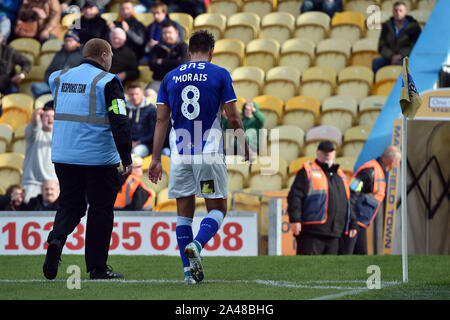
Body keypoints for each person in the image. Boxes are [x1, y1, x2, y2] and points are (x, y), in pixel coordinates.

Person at [147, 30, 249, 285]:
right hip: (208, 152)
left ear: (189, 51)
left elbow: (161, 120)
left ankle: (188, 274)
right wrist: (243, 143)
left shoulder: (170, 77)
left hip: (180, 155)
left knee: (184, 213)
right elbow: (233, 117)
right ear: (211, 52)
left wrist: (156, 158)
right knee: (217, 208)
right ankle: (197, 243)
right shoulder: (220, 74)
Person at [43, 38, 132, 280]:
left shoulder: (58, 78)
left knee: (70, 206)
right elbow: (119, 121)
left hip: (63, 155)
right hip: (98, 158)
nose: (111, 59)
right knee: (100, 210)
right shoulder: (108, 81)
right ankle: (97, 268)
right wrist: (126, 157)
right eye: (111, 55)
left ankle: (56, 239)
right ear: (104, 56)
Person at [287, 141, 358, 255]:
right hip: (311, 232)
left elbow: (347, 202)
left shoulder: (340, 175)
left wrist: (352, 223)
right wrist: (295, 219)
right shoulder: (307, 171)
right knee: (309, 268)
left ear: (335, 154)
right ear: (317, 153)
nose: (327, 154)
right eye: (324, 152)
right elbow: (295, 196)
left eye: (330, 152)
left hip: (335, 233)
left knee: (328, 271)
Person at [339, 146, 401, 255]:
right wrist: (352, 221)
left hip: (361, 223)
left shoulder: (379, 172)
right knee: (348, 256)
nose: (397, 165)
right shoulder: (368, 172)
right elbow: (351, 193)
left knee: (361, 256)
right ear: (391, 160)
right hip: (353, 222)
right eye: (397, 161)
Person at [22, 101, 58, 202]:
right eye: (46, 116)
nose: (50, 119)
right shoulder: (34, 135)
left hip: (55, 185)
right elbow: (34, 125)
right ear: (41, 118)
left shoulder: (61, 137)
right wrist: (35, 114)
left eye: (53, 116)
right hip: (33, 184)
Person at [372, 1, 422, 74]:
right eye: (396, 10)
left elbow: (415, 47)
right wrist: (392, 56)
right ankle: (378, 84)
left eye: (400, 10)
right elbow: (381, 46)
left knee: (401, 65)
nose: (398, 13)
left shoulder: (414, 27)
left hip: (406, 58)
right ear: (393, 12)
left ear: (405, 12)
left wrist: (400, 56)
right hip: (390, 57)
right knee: (376, 62)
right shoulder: (387, 26)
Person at [31, 30, 83, 98]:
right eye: (66, 40)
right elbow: (49, 71)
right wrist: (52, 83)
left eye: (70, 40)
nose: (68, 43)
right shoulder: (59, 54)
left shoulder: (82, 55)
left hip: (71, 88)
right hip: (55, 86)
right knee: (36, 87)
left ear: (77, 42)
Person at [147, 19, 188, 92]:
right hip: (160, 81)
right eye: (164, 33)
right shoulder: (157, 47)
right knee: (149, 92)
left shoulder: (184, 47)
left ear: (176, 33)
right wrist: (175, 63)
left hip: (179, 81)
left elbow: (183, 64)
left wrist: (162, 61)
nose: (167, 35)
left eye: (169, 32)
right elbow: (151, 65)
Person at [126, 82, 157, 158]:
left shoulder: (151, 109)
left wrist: (138, 142)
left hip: (144, 144)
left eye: (137, 94)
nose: (134, 97)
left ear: (142, 93)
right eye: (131, 94)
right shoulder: (125, 108)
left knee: (135, 153)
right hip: (127, 142)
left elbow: (153, 133)